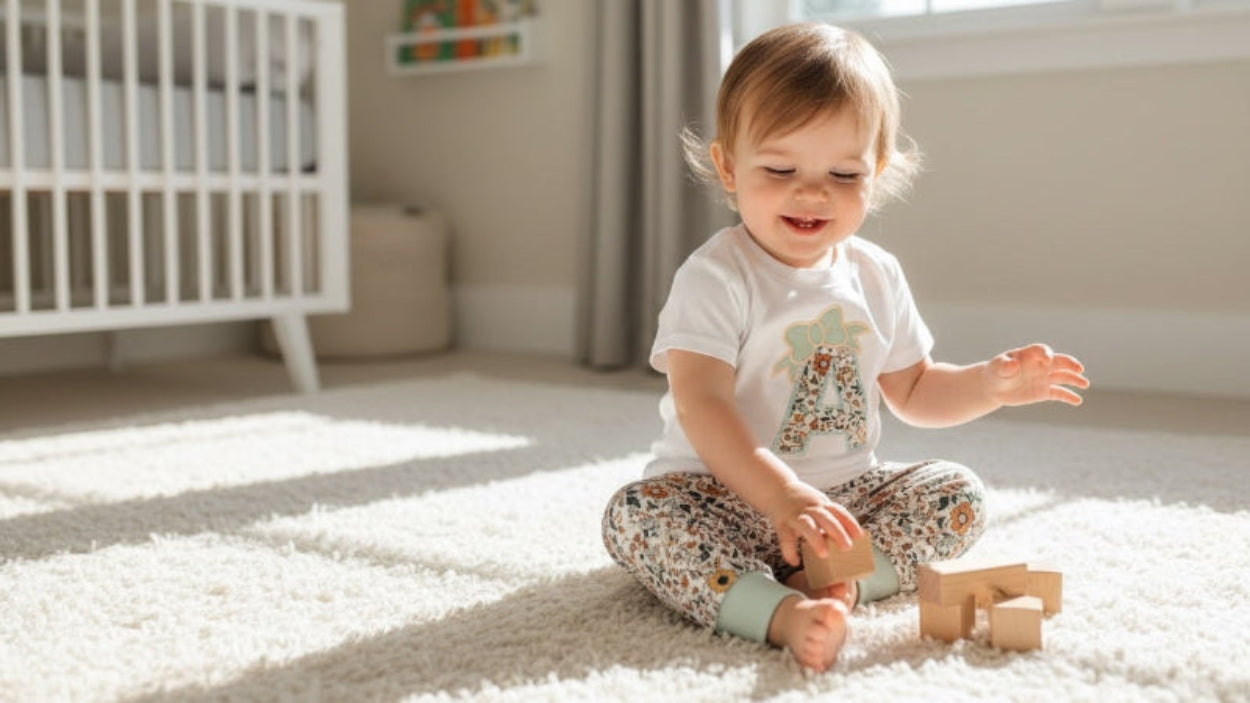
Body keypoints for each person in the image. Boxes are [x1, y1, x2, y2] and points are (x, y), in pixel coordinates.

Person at [600, 23, 1090, 672]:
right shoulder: (716, 277)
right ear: (727, 167)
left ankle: (837, 581)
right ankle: (776, 612)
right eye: (780, 169)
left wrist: (987, 385)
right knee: (635, 516)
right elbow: (702, 404)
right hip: (721, 493)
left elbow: (915, 389)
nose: (813, 191)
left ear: (877, 172)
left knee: (957, 494)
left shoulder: (875, 273)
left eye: (843, 172)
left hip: (844, 501)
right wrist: (780, 496)